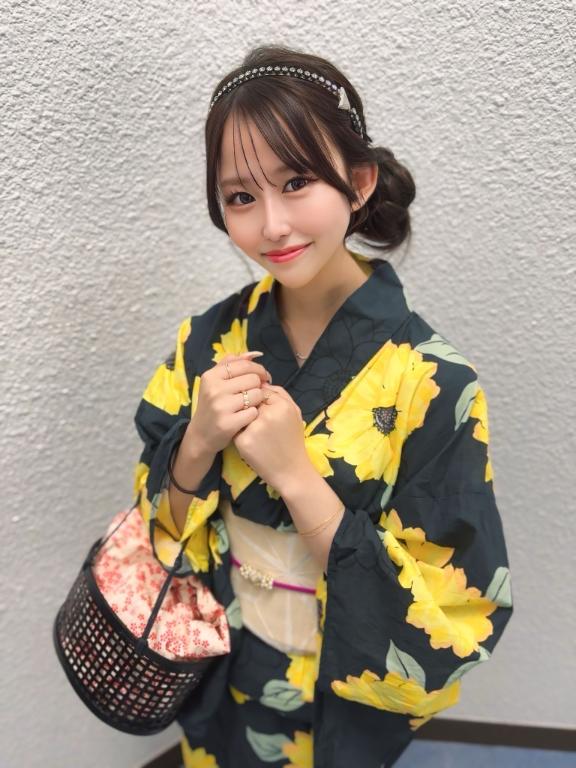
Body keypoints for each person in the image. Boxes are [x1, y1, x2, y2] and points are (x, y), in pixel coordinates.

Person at [132, 45, 514, 768]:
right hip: (222, 668)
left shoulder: (434, 378)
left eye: (296, 182)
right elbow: (156, 534)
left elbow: (457, 601)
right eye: (241, 197)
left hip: (342, 689)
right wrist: (195, 446)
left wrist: (297, 477)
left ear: (358, 181)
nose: (272, 225)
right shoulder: (205, 342)